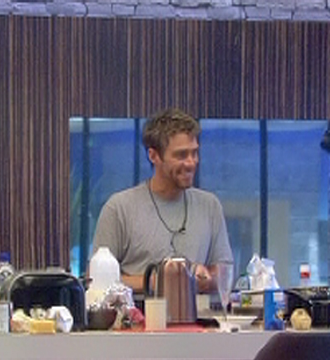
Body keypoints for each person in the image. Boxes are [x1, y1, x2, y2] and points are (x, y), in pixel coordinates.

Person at [90, 108, 233, 294]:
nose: (191, 163)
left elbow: (225, 273)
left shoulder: (209, 206)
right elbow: (96, 279)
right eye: (181, 155)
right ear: (153, 156)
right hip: (138, 311)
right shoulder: (119, 208)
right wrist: (156, 282)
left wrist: (207, 278)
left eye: (194, 153)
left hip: (195, 312)